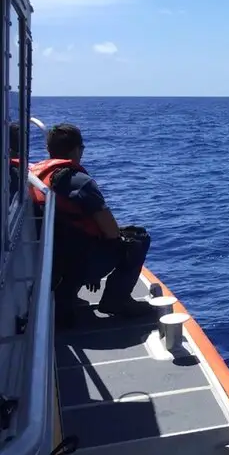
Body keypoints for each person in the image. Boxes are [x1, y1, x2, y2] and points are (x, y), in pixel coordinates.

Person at [29, 123, 152, 324]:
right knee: (137, 239)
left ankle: (68, 295)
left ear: (49, 150)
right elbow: (111, 232)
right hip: (78, 263)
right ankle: (116, 302)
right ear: (77, 149)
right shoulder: (79, 182)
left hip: (50, 263)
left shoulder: (37, 177)